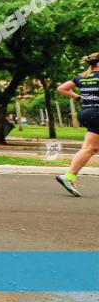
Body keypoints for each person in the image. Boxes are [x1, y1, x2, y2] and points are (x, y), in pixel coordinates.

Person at [54, 52, 99, 196]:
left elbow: (61, 88)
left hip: (85, 112)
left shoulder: (82, 77)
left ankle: (69, 176)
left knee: (89, 148)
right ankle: (69, 176)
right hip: (97, 113)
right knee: (90, 148)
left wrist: (78, 97)